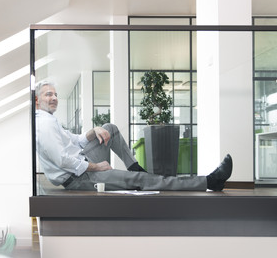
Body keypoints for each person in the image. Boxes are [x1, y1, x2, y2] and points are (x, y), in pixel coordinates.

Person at [35, 81, 232, 192]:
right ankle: (208, 181)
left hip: (82, 162)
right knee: (139, 180)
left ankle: (133, 165)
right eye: (48, 95)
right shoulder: (44, 125)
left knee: (108, 128)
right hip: (79, 178)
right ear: (37, 101)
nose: (54, 98)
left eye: (55, 94)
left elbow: (77, 140)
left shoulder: (49, 120)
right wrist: (96, 166)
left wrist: (94, 130)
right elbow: (62, 161)